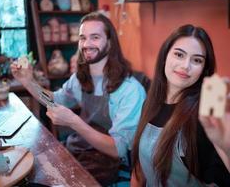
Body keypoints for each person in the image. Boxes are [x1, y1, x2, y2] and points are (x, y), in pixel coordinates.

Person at [11, 12, 146, 185]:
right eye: (83, 38)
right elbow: (55, 100)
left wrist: (74, 122)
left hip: (108, 164)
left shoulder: (130, 90)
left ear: (110, 43)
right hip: (78, 150)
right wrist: (28, 81)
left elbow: (118, 150)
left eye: (95, 37)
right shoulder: (80, 78)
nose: (87, 44)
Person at [131, 24, 230, 186]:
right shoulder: (149, 103)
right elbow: (140, 169)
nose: (186, 65)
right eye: (179, 55)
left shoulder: (206, 112)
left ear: (204, 70)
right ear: (165, 57)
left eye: (197, 60)